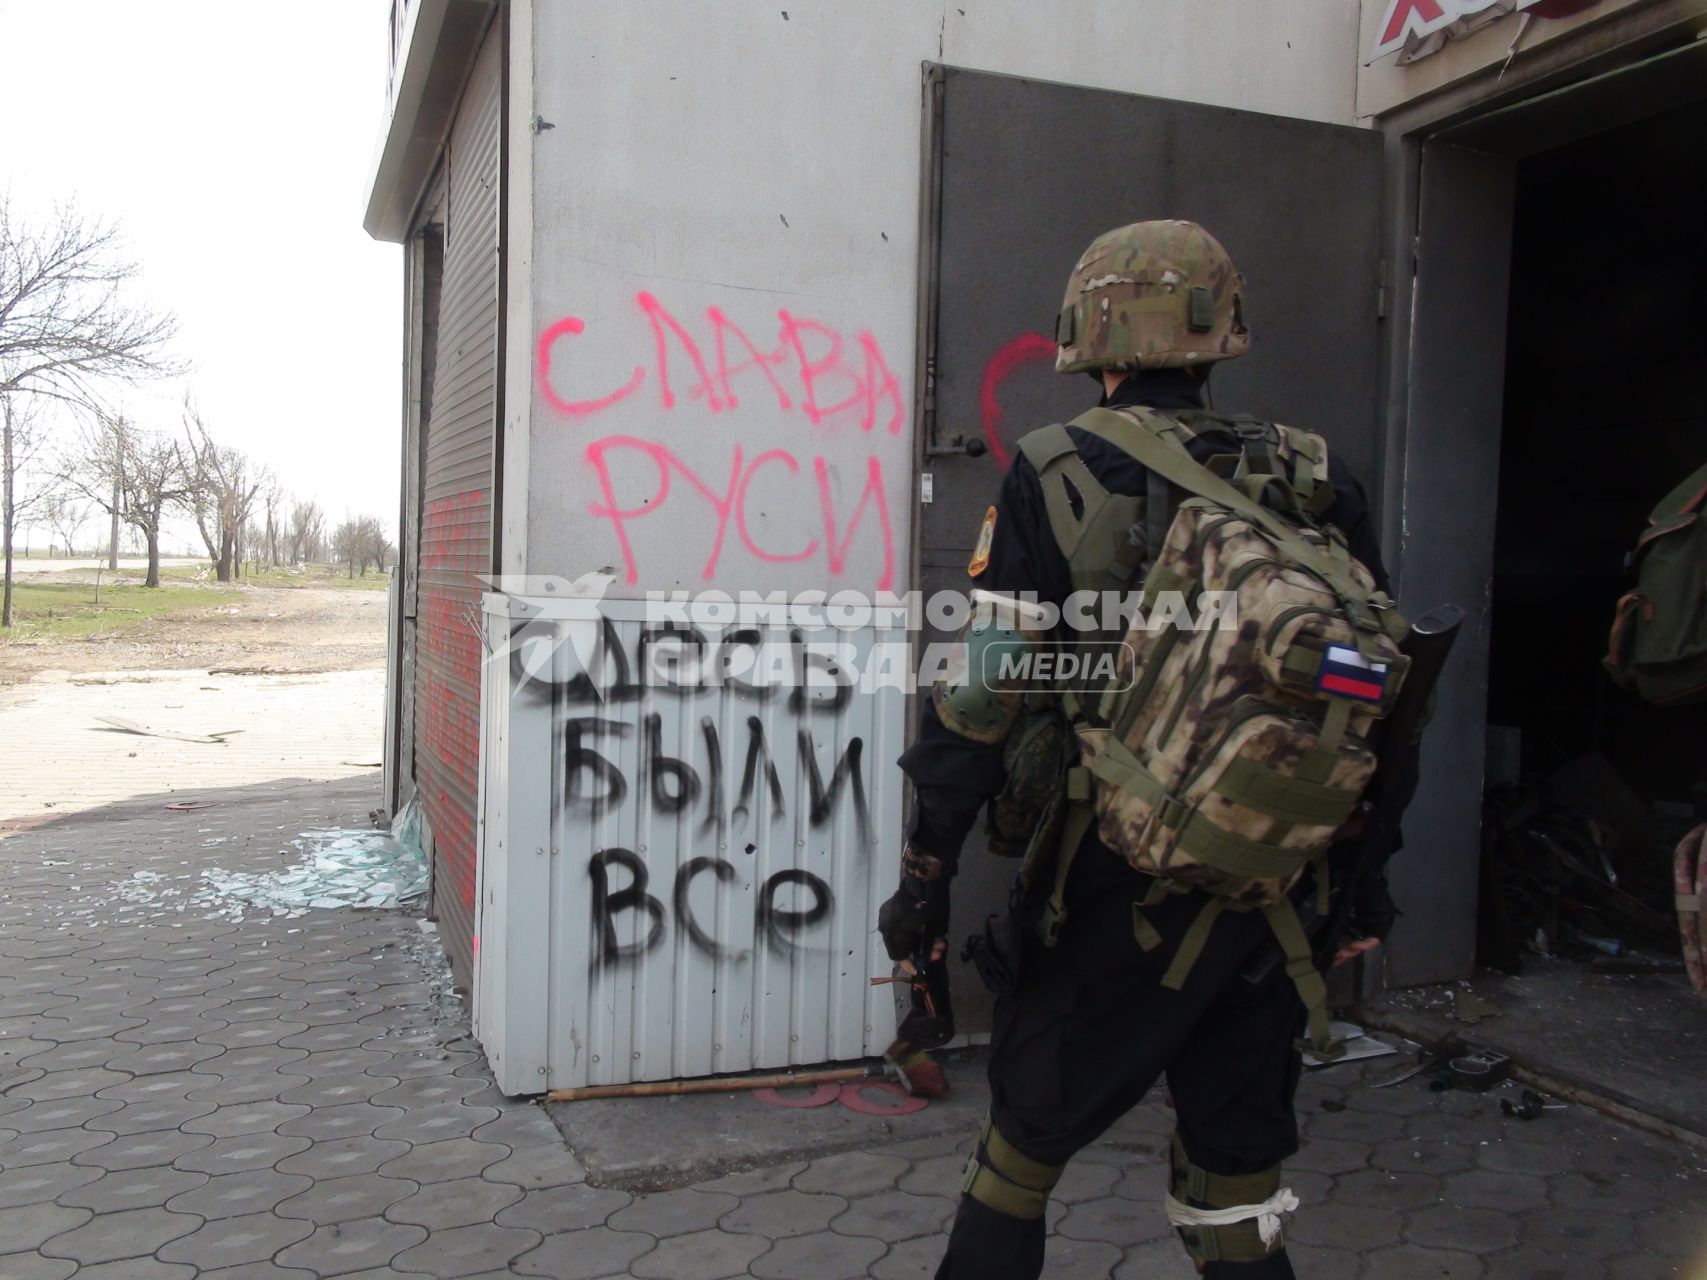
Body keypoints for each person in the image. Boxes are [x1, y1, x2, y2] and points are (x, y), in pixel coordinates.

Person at [878, 221, 1408, 1279]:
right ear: (1220, 336)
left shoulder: (1051, 468)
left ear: (1091, 334)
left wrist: (924, 879)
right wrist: (1360, 883)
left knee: (1019, 1158)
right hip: (1272, 890)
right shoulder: (1315, 476)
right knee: (1234, 1188)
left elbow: (982, 698)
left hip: (1112, 888)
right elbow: (1373, 691)